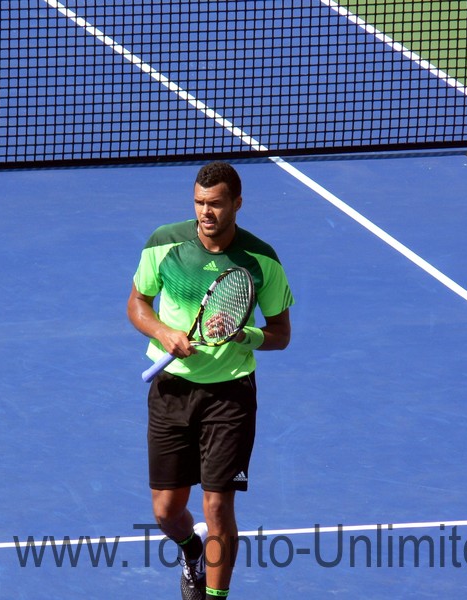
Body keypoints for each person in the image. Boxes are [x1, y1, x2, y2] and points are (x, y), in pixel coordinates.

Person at [127, 161, 293, 599]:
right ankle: (190, 549)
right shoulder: (164, 244)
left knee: (218, 504)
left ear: (236, 204)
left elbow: (281, 334)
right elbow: (137, 304)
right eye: (200, 203)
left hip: (230, 395)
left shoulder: (261, 260)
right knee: (166, 511)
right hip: (171, 391)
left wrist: (245, 332)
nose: (206, 212)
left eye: (216, 204)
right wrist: (163, 332)